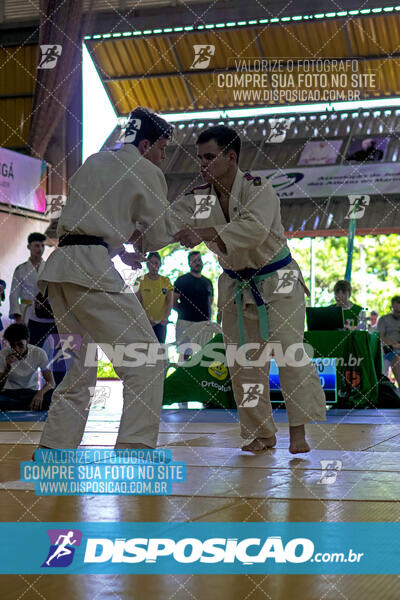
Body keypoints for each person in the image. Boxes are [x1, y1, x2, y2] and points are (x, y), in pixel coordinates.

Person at [167, 125, 326, 454]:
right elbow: (168, 222)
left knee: (289, 353)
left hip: (278, 279)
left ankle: (298, 430)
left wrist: (206, 233)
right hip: (237, 285)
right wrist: (137, 238)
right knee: (243, 364)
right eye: (200, 158)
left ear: (231, 157)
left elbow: (253, 230)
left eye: (210, 157)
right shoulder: (201, 199)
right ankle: (262, 433)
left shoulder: (257, 188)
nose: (203, 164)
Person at [35, 106, 174, 451]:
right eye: (162, 148)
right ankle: (135, 451)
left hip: (61, 269)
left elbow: (90, 222)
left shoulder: (95, 161)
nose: (162, 156)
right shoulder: (145, 170)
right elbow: (160, 235)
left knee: (80, 372)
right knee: (148, 362)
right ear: (146, 145)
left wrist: (121, 247)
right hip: (90, 271)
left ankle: (53, 450)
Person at [9, 232, 57, 345]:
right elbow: (14, 294)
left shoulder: (49, 268)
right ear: (29, 246)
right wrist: (18, 316)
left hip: (47, 313)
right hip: (26, 312)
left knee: (49, 348)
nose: (40, 249)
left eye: (42, 246)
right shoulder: (21, 269)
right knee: (29, 345)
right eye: (36, 245)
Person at [0, 323, 55, 411]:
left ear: (27, 341)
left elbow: (51, 382)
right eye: (13, 345)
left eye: (20, 345)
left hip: (30, 393)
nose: (16, 349)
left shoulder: (39, 353)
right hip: (9, 393)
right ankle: (26, 406)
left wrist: (40, 393)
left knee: (53, 396)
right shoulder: (3, 353)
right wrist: (7, 368)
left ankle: (22, 406)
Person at [174, 251, 215, 359]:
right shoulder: (181, 281)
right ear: (189, 263)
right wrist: (184, 312)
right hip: (185, 323)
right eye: (194, 261)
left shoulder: (207, 282)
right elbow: (173, 302)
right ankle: (182, 376)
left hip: (205, 324)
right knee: (185, 356)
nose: (197, 263)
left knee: (204, 355)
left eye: (199, 260)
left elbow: (210, 302)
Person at [136, 252, 173, 343]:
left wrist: (165, 318)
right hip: (144, 324)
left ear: (160, 264)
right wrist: (145, 319)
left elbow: (170, 302)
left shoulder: (166, 281)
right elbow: (136, 303)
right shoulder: (139, 280)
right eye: (151, 263)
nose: (153, 266)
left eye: (156, 263)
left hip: (160, 324)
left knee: (159, 351)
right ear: (147, 264)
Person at [377, 296, 400, 388]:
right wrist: (393, 344)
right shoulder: (384, 319)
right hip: (389, 349)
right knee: (396, 359)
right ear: (392, 307)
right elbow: (380, 337)